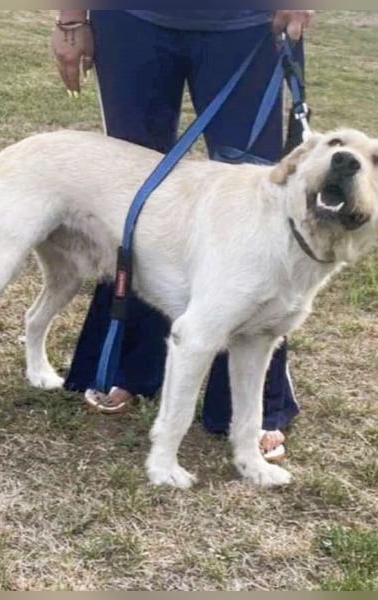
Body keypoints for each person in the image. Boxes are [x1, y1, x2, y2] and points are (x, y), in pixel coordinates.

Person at [52, 9, 315, 462]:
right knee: (136, 195)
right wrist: (72, 19)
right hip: (133, 19)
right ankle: (130, 364)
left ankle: (249, 403)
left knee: (256, 197)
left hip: (249, 22)